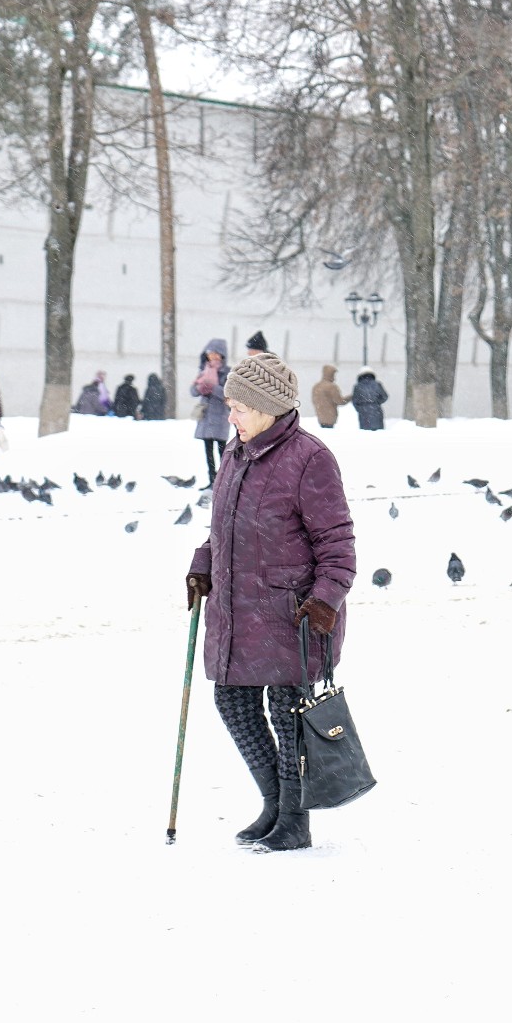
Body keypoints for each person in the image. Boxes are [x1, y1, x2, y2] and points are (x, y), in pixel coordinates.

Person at [183, 350, 356, 853]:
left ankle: (296, 820)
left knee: (288, 715)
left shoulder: (310, 458)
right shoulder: (237, 455)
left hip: (291, 614)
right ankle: (274, 801)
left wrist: (326, 599)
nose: (230, 416)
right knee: (232, 701)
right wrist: (202, 564)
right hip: (237, 609)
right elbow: (225, 530)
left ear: (266, 408)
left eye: (237, 406)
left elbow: (337, 542)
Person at [193, 339, 232, 478]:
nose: (213, 357)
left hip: (220, 417)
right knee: (208, 452)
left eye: (217, 354)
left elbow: (229, 394)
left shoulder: (228, 373)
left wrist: (213, 388)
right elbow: (193, 392)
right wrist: (199, 387)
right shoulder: (204, 370)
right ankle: (212, 480)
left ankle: (224, 481)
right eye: (211, 353)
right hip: (206, 417)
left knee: (222, 452)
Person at [311, 364, 346, 429]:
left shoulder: (316, 386)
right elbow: (340, 401)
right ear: (331, 374)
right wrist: (351, 397)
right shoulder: (332, 387)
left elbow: (314, 401)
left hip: (320, 417)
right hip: (330, 418)